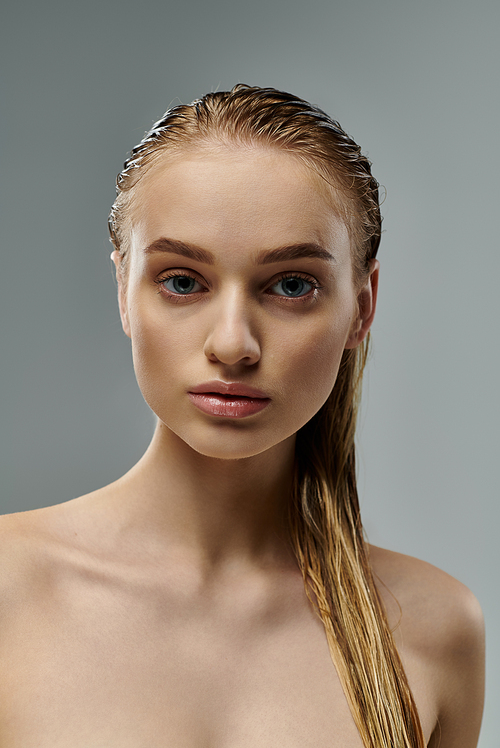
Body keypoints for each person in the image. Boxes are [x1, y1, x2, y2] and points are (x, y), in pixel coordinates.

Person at [0, 85, 484, 748]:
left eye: (291, 285)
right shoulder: (10, 589)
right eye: (181, 281)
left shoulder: (437, 627)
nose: (232, 343)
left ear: (362, 307)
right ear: (123, 289)